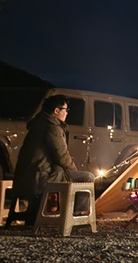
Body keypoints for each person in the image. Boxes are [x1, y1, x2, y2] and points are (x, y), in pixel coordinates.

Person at [11, 94, 95, 225]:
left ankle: (43, 213)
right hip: (39, 178)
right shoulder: (52, 127)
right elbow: (61, 156)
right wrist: (74, 170)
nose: (67, 113)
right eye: (65, 110)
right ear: (56, 111)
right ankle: (78, 216)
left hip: (26, 177)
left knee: (60, 170)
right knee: (87, 177)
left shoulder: (38, 124)